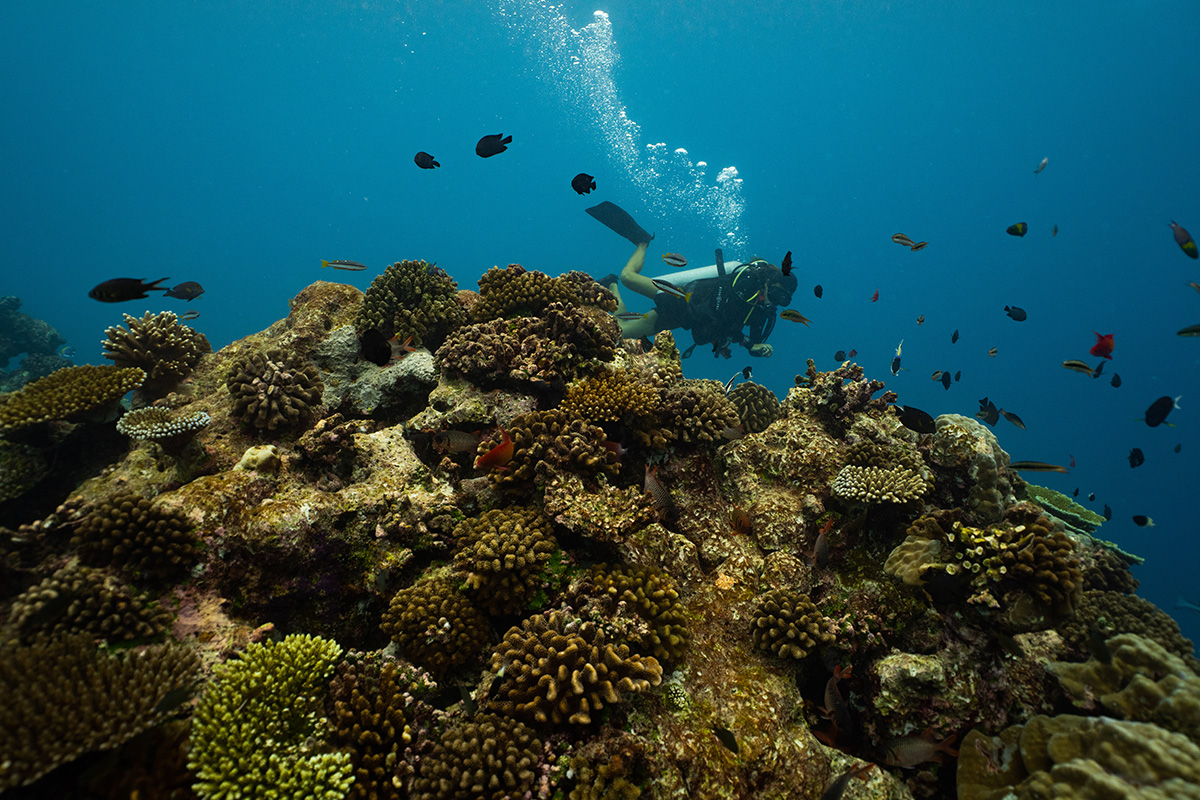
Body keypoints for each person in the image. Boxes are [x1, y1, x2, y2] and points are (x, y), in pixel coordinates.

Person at [587, 201, 796, 358]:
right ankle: (642, 242)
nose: (774, 301)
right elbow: (721, 315)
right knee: (629, 278)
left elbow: (750, 338)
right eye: (776, 294)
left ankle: (609, 283)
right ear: (768, 282)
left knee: (620, 332)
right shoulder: (746, 282)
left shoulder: (764, 312)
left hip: (682, 317)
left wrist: (756, 348)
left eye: (782, 300)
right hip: (682, 295)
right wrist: (747, 343)